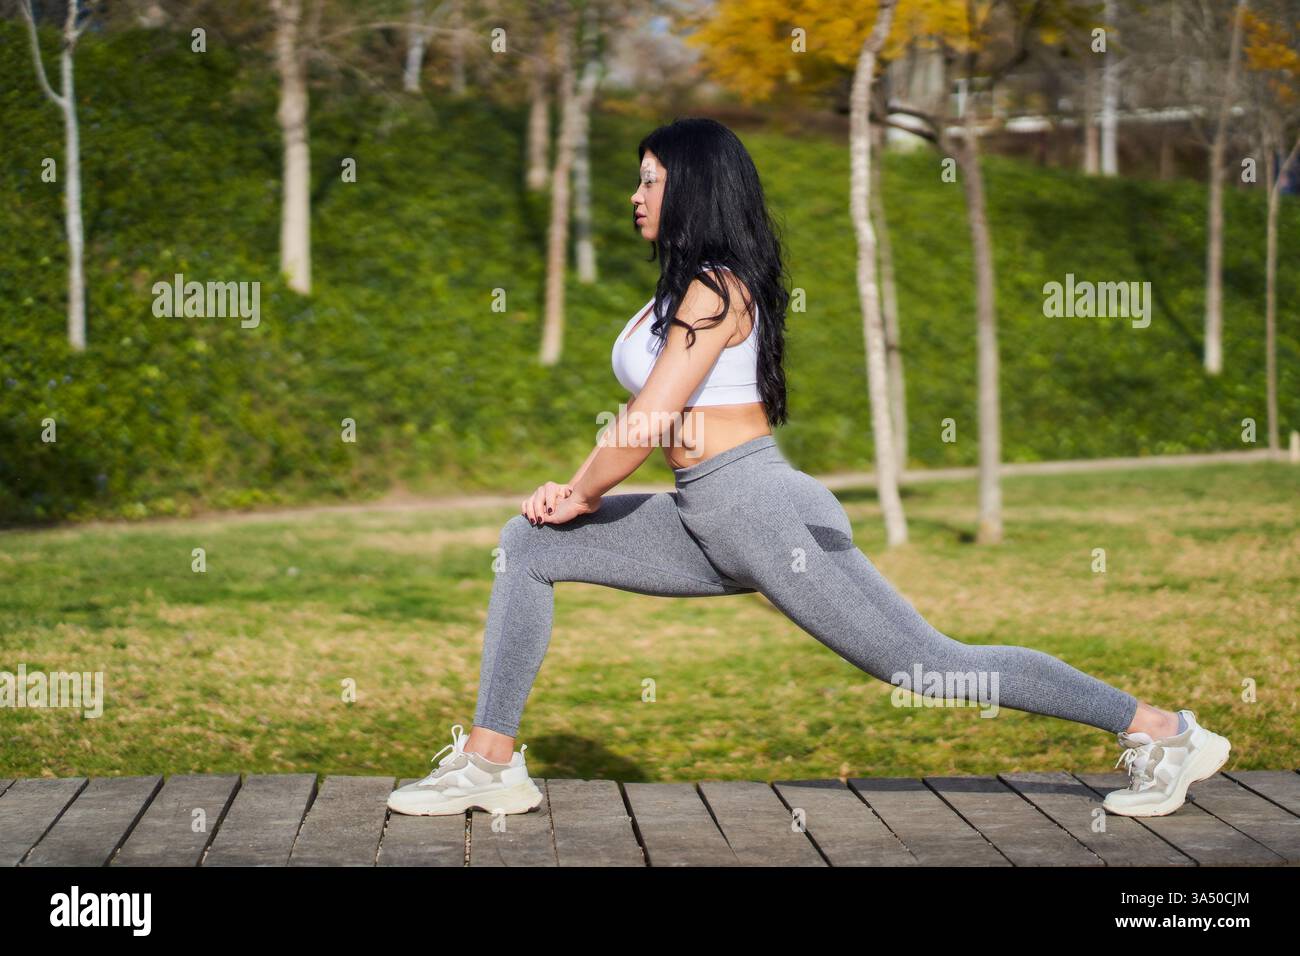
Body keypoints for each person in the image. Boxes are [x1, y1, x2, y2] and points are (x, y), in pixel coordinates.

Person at [387, 118, 1230, 821]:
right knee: (528, 547)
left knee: (927, 665)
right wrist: (567, 507)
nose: (635, 196)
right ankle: (490, 761)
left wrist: (578, 492)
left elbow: (648, 418)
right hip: (701, 516)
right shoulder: (677, 291)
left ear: (693, 185)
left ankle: (1162, 731)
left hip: (760, 509)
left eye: (649, 180)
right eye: (636, 181)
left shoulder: (716, 287)